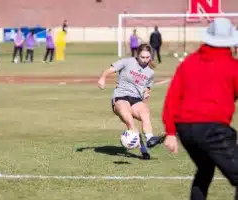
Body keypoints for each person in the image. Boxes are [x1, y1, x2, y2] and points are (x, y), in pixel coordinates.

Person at [162, 17, 238, 200]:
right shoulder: (232, 66)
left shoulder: (188, 62)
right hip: (213, 129)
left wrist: (171, 132)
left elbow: (172, 97)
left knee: (205, 170)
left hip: (185, 130)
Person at [97, 44, 165, 159]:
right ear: (137, 55)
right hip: (121, 96)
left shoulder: (150, 72)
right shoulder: (127, 62)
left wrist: (147, 92)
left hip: (136, 98)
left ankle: (150, 139)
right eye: (142, 57)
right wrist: (102, 78)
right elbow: (108, 70)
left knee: (145, 113)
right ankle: (143, 150)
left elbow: (148, 87)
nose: (145, 60)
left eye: (147, 57)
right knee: (130, 121)